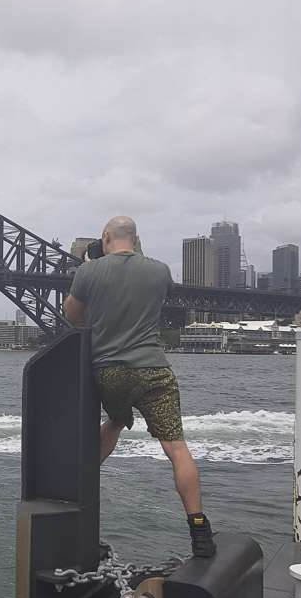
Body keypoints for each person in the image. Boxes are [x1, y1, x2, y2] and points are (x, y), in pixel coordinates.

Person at [63, 215, 216, 557]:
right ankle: (200, 532)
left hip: (109, 371)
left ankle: (77, 491)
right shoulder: (160, 270)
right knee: (176, 447)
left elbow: (72, 313)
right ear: (135, 239)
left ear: (105, 237)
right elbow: (151, 292)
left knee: (115, 422)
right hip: (153, 370)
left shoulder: (89, 271)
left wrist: (89, 268)